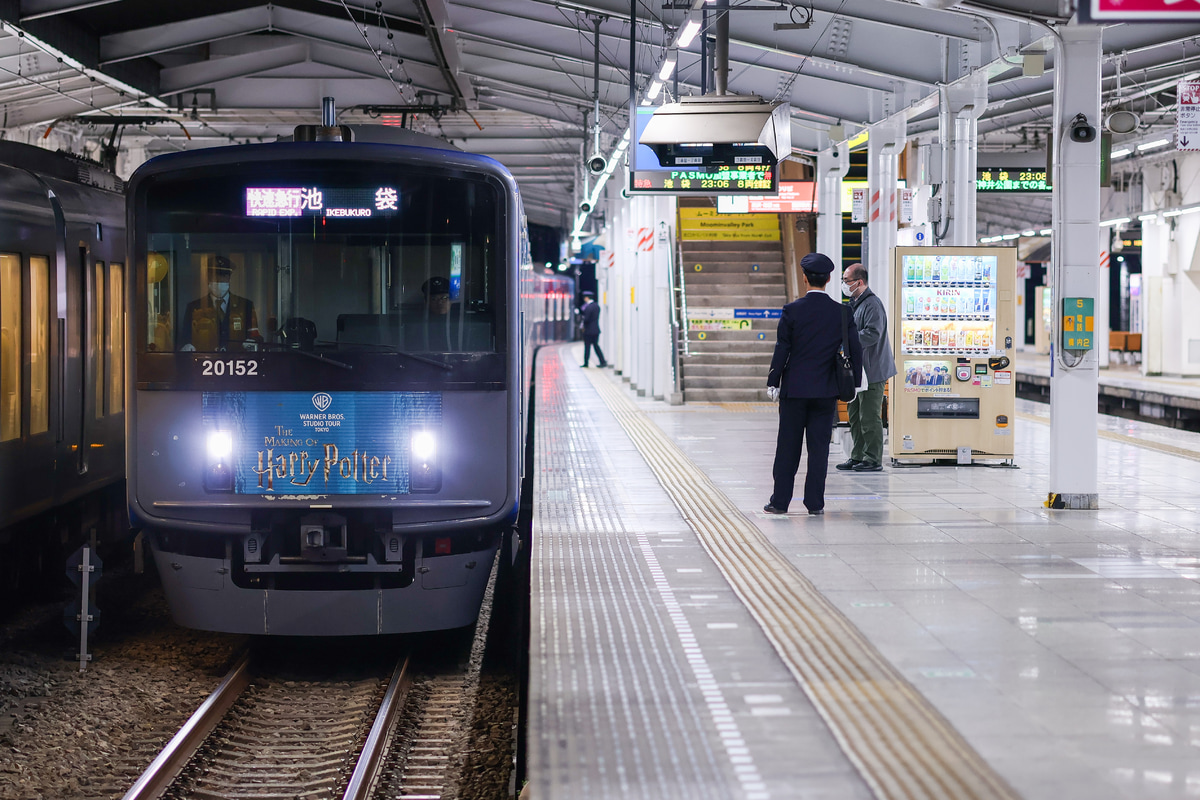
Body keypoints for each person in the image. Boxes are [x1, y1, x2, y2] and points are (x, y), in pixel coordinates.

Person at [764, 252, 862, 516]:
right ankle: (815, 504)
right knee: (818, 450)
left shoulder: (792, 311)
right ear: (829, 279)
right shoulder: (842, 313)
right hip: (826, 392)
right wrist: (856, 384)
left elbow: (782, 348)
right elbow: (856, 349)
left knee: (788, 448)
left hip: (794, 391)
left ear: (805, 278)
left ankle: (780, 501)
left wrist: (773, 380)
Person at [836, 263, 898, 472]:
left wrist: (847, 339)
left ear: (859, 282)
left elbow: (873, 333)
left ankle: (872, 459)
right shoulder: (855, 303)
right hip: (858, 370)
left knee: (869, 416)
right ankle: (858, 456)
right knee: (855, 415)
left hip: (873, 370)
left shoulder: (872, 304)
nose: (844, 285)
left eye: (847, 281)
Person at [181, 256, 261, 352]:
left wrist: (252, 341)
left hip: (237, 361)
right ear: (208, 279)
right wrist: (187, 345)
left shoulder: (245, 305)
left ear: (229, 278)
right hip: (204, 361)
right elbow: (185, 337)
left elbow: (255, 335)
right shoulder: (194, 307)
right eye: (215, 278)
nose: (219, 281)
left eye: (223, 277)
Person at [579, 290, 607, 368]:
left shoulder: (588, 307)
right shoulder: (596, 306)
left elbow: (586, 319)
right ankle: (602, 361)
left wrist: (583, 326)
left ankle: (586, 363)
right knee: (596, 346)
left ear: (586, 298)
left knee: (587, 347)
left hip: (588, 330)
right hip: (595, 330)